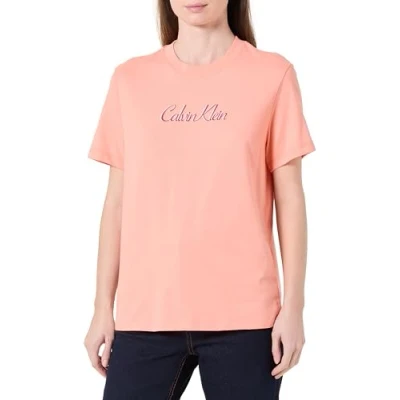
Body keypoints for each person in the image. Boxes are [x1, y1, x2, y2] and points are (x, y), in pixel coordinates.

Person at [84, 0, 315, 398]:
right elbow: (116, 203)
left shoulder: (272, 75)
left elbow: (290, 199)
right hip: (146, 314)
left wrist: (294, 307)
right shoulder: (130, 80)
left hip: (246, 316)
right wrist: (102, 307)